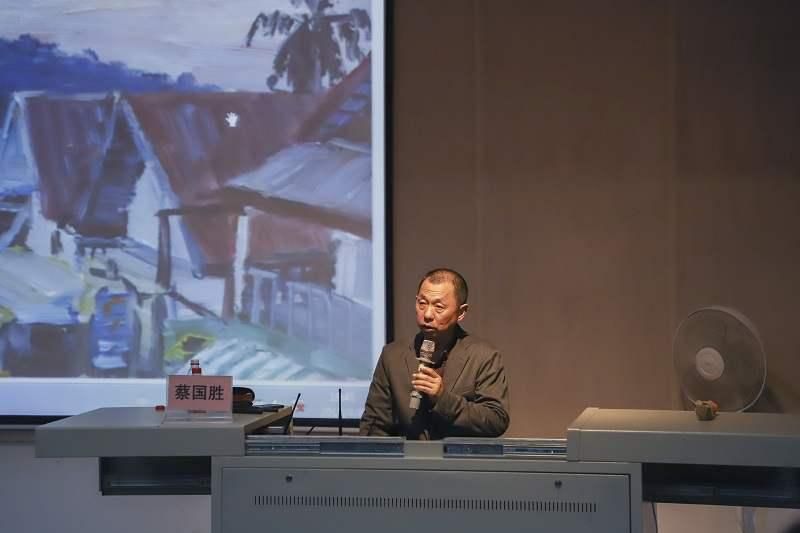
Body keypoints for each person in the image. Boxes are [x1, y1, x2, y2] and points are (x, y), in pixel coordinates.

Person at [359, 268, 510, 439]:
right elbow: (375, 425)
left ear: (461, 312)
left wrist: (442, 398)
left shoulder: (483, 356)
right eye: (422, 303)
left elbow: (496, 420)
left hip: (460, 456)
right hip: (408, 455)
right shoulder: (393, 356)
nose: (427, 314)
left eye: (439, 307)